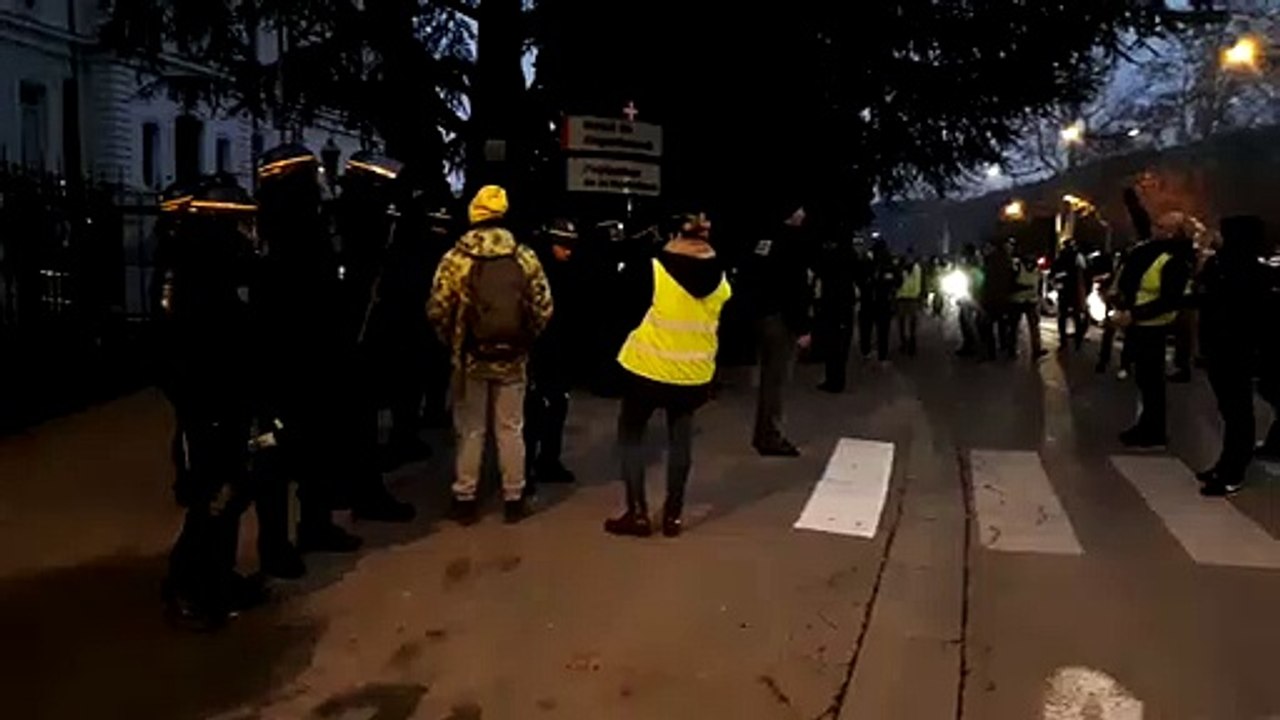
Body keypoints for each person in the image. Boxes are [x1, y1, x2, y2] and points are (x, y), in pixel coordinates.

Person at [156, 176, 269, 627]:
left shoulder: (209, 267)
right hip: (210, 403)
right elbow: (192, 348)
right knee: (215, 495)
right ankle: (188, 587)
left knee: (231, 490)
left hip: (225, 399)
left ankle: (218, 578)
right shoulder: (196, 272)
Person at [255, 144, 363, 555]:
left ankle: (311, 527)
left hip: (308, 354)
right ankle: (278, 542)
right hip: (292, 355)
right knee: (280, 453)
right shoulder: (284, 230)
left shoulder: (302, 224)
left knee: (315, 447)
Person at [427, 185, 553, 524]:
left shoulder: (457, 258)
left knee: (471, 429)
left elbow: (438, 308)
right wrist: (525, 338)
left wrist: (453, 341)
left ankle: (465, 498)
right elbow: (543, 307)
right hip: (513, 358)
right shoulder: (523, 256)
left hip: (470, 358)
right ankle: (514, 497)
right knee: (511, 427)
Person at [607, 212, 732, 538]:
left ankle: (636, 513)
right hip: (693, 374)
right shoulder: (720, 279)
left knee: (631, 434)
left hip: (646, 370)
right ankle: (673, 516)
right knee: (681, 440)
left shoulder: (653, 269)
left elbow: (624, 308)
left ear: (675, 233)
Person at [331, 151, 417, 522]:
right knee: (357, 419)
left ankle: (348, 486)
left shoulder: (347, 217)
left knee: (350, 419)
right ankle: (363, 492)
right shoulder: (363, 223)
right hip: (357, 337)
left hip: (350, 335)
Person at [1111, 212, 1195, 448]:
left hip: (1153, 326)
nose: (1154, 228)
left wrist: (1134, 314)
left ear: (1172, 231)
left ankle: (1154, 431)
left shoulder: (1174, 259)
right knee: (1144, 380)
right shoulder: (1153, 252)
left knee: (1152, 382)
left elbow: (1170, 299)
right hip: (1141, 323)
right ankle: (1147, 425)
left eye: (1160, 225)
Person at [1196, 216, 1266, 496]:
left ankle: (1233, 471)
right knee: (1229, 410)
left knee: (1239, 413)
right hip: (1218, 346)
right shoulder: (1220, 264)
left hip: (1237, 348)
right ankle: (1226, 462)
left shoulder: (1250, 271)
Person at [746, 207, 813, 457]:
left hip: (764, 317)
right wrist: (803, 327)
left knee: (768, 380)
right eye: (801, 210)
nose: (804, 215)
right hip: (782, 321)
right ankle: (770, 436)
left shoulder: (765, 241)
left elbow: (753, 278)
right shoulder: (792, 243)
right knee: (777, 382)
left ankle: (764, 433)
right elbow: (794, 288)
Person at [524, 218, 581, 496]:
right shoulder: (537, 272)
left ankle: (548, 460)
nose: (568, 251)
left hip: (560, 350)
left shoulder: (567, 272)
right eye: (563, 245)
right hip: (540, 350)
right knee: (534, 411)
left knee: (556, 406)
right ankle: (526, 468)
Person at [816, 234, 857, 392]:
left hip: (832, 305)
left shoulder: (829, 258)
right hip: (844, 305)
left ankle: (833, 380)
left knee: (832, 344)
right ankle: (837, 380)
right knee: (842, 345)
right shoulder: (849, 257)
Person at [857, 240, 900, 363]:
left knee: (868, 329)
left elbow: (897, 280)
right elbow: (898, 281)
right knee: (882, 331)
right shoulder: (887, 264)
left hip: (871, 302)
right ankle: (880, 354)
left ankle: (868, 352)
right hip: (880, 302)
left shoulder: (869, 264)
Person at [1009, 248, 1046, 361]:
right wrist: (1024, 288)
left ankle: (1037, 350)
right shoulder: (1017, 267)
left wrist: (1039, 297)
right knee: (1014, 327)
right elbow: (1011, 284)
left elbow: (1039, 284)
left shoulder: (1037, 269)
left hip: (1031, 301)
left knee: (1034, 326)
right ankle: (1012, 350)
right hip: (1017, 301)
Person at [1052, 239, 1088, 351]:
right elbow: (1084, 273)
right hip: (1074, 290)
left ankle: (1064, 341)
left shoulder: (1061, 257)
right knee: (1076, 316)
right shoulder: (1078, 257)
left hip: (1065, 290)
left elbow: (1054, 273)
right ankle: (1077, 341)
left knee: (1063, 316)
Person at [896, 246, 924, 356]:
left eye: (911, 256)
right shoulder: (900, 267)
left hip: (913, 298)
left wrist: (922, 297)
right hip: (901, 297)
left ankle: (912, 343)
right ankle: (903, 343)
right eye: (908, 256)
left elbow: (922, 282)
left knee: (912, 323)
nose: (909, 258)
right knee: (901, 322)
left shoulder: (918, 268)